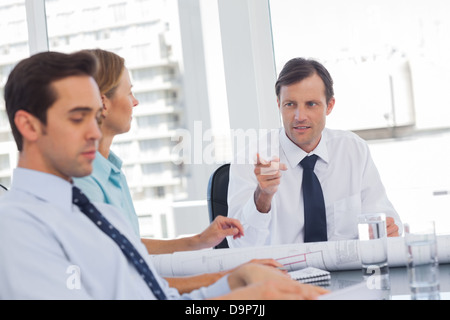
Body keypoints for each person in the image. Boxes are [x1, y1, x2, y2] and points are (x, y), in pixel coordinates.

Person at [0, 51, 327, 300]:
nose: (92, 132)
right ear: (28, 125)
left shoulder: (101, 215)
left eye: (94, 115)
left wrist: (238, 285)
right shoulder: (17, 228)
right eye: (77, 118)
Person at [72, 49, 276, 293]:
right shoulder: (83, 183)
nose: (135, 101)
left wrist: (198, 241)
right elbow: (119, 282)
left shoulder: (111, 171)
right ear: (103, 102)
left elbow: (127, 246)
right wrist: (230, 277)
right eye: (129, 93)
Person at [227, 57, 402, 248]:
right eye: (290, 104)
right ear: (279, 104)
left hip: (347, 272)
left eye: (311, 104)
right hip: (280, 274)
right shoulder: (251, 159)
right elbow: (239, 246)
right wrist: (262, 197)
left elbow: (385, 220)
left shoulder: (353, 150)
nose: (300, 117)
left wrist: (388, 230)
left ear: (330, 106)